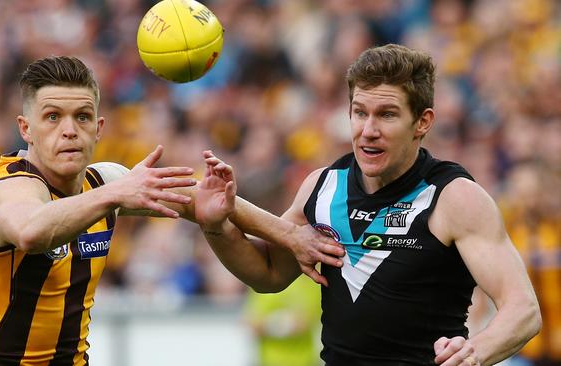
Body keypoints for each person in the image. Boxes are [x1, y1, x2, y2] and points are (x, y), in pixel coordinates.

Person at [0, 56, 342, 365]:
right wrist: (114, 195)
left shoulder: (103, 182)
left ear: (99, 127)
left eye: (83, 117)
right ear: (26, 128)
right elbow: (31, 231)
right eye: (53, 117)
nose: (69, 130)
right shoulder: (10, 187)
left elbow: (204, 200)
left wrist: (288, 234)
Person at [193, 44, 542, 366]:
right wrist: (215, 227)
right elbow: (267, 274)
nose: (368, 130)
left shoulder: (454, 196)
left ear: (423, 121)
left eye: (387, 115)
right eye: (360, 113)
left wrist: (474, 352)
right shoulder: (323, 186)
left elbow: (523, 309)